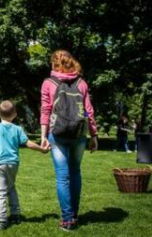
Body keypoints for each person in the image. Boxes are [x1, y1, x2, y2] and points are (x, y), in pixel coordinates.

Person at [40, 50, 98, 231]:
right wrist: (94, 135)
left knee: (62, 177)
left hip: (57, 134)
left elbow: (45, 110)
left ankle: (66, 220)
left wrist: (43, 135)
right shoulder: (82, 83)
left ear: (54, 63)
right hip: (79, 135)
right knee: (75, 173)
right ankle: (74, 215)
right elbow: (89, 111)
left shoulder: (48, 83)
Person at [0, 100, 49, 230]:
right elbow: (28, 143)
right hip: (13, 164)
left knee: (0, 191)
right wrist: (42, 149)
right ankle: (15, 214)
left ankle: (2, 219)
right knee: (11, 188)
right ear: (14, 114)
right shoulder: (17, 129)